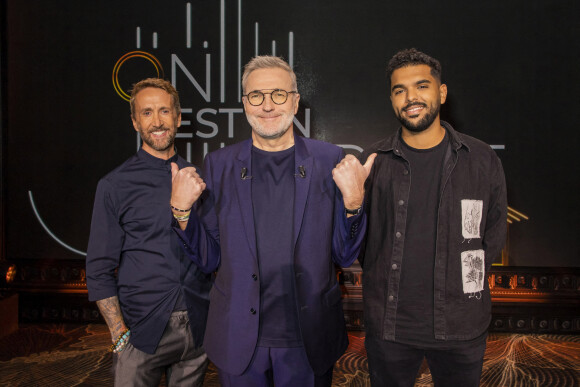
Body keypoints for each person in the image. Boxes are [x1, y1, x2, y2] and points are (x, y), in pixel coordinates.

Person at [170, 55, 376, 386]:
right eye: (256, 96)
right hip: (238, 337)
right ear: (244, 104)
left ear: (295, 101)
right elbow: (208, 258)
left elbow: (344, 254)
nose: (267, 105)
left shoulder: (329, 160)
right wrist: (181, 213)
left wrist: (354, 203)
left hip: (309, 337)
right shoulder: (219, 164)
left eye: (278, 94)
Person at [358, 48, 507, 386]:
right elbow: (362, 242)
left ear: (441, 92)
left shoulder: (480, 158)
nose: (411, 97)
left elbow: (494, 234)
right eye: (400, 90)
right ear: (392, 99)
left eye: (422, 86)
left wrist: (464, 282)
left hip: (462, 324)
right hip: (390, 326)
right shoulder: (373, 161)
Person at [86, 78, 212, 386]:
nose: (156, 121)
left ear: (178, 118)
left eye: (164, 111)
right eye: (146, 113)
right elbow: (99, 268)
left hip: (198, 327)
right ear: (134, 122)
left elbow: (211, 252)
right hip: (142, 331)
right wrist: (119, 335)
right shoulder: (114, 185)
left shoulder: (199, 181)